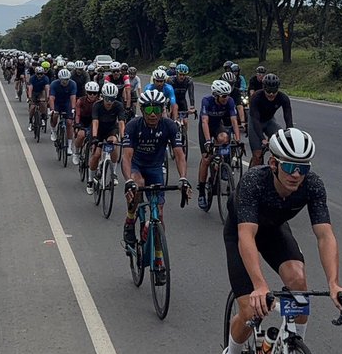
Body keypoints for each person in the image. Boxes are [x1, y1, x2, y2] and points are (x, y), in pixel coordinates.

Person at [221, 128, 342, 354]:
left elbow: (325, 235)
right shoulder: (254, 182)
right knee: (249, 308)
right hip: (242, 231)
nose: (297, 174)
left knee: (298, 282)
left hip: (274, 230)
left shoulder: (312, 185)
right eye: (290, 166)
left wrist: (334, 283)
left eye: (303, 167)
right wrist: (259, 284)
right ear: (274, 164)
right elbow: (247, 237)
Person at [121, 89, 190, 247]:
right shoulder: (133, 126)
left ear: (162, 110)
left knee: (159, 214)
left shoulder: (170, 126)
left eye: (157, 109)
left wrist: (183, 178)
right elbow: (126, 157)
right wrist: (129, 180)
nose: (153, 114)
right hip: (136, 166)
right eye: (149, 110)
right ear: (143, 110)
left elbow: (179, 155)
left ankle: (158, 259)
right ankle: (130, 219)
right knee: (137, 184)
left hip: (155, 168)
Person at [196, 80, 242, 209]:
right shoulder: (207, 101)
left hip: (217, 126)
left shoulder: (230, 101)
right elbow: (204, 121)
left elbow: (234, 120)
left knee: (224, 137)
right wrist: (208, 142)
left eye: (227, 95)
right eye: (223, 96)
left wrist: (238, 139)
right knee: (206, 159)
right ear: (216, 95)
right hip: (205, 128)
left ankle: (223, 163)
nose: (226, 98)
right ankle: (201, 193)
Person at [248, 73, 293, 167]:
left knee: (282, 141)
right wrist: (262, 139)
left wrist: (290, 134)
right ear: (264, 88)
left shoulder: (283, 98)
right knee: (257, 155)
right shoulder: (256, 97)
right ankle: (251, 178)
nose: (271, 94)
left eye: (274, 91)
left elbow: (288, 117)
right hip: (255, 122)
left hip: (269, 121)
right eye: (268, 91)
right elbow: (255, 120)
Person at [88, 82, 126, 184]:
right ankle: (90, 180)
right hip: (98, 130)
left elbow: (121, 122)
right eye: (107, 99)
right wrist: (95, 137)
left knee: (114, 143)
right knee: (96, 155)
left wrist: (123, 137)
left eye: (112, 99)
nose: (109, 102)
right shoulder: (97, 105)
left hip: (111, 129)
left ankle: (113, 173)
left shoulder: (119, 106)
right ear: (103, 97)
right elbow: (95, 122)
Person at [73, 80, 100, 175]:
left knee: (96, 143)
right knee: (80, 135)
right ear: (86, 92)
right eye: (90, 93)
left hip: (94, 122)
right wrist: (77, 124)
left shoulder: (99, 102)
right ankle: (76, 153)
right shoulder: (80, 101)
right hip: (83, 121)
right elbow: (77, 114)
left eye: (94, 93)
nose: (92, 95)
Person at [48, 68, 77, 157]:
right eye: (63, 80)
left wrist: (73, 108)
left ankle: (69, 146)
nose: (65, 82)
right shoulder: (54, 84)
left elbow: (73, 97)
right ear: (59, 79)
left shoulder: (72, 84)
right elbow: (52, 98)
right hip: (57, 102)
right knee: (55, 115)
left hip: (67, 103)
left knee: (69, 122)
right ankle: (53, 131)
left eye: (66, 80)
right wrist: (52, 110)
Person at [27, 63, 50, 131]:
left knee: (43, 103)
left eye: (41, 74)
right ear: (35, 73)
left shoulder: (46, 78)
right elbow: (30, 88)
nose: (39, 75)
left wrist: (47, 97)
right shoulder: (32, 78)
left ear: (43, 73)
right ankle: (31, 122)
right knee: (32, 107)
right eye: (38, 74)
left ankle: (42, 118)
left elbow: (47, 88)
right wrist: (30, 97)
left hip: (41, 92)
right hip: (34, 92)